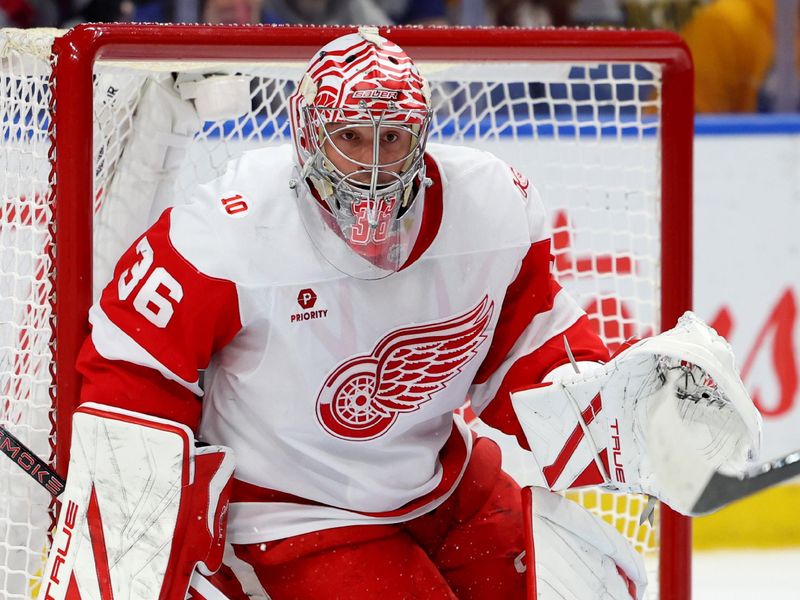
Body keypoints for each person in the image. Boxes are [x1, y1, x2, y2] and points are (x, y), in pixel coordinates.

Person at [38, 27, 761, 600]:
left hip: (440, 482)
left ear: (420, 135)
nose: (375, 165)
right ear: (308, 134)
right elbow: (131, 377)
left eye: (392, 138)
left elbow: (530, 363)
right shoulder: (228, 230)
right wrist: (139, 548)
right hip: (295, 510)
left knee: (586, 585)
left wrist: (629, 408)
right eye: (351, 138)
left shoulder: (492, 209)